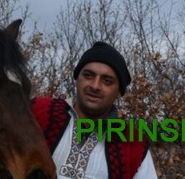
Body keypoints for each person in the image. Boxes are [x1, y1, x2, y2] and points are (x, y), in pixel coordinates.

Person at [32, 41, 158, 179]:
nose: (95, 86)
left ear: (119, 92)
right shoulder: (38, 111)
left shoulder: (134, 145)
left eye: (107, 81)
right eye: (88, 75)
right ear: (77, 78)